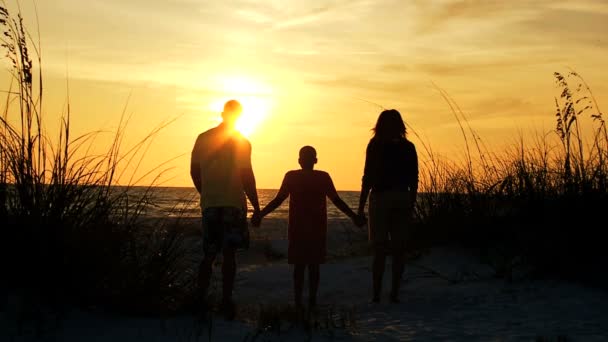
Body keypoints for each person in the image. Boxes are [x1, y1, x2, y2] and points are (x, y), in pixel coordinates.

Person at [252, 146, 365, 309]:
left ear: (299, 161)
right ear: (316, 160)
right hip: (316, 227)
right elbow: (337, 201)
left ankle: (299, 301)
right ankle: (311, 300)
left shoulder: (291, 176)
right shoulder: (323, 177)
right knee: (314, 266)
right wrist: (353, 216)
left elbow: (278, 200)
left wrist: (260, 215)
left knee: (299, 267)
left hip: (298, 228)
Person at [190, 99, 261, 320]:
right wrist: (256, 206)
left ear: (223, 114)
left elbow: (194, 171)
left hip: (211, 204)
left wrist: (206, 193)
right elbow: (246, 175)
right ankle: (226, 301)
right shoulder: (241, 141)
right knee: (229, 255)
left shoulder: (203, 138)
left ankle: (200, 299)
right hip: (232, 203)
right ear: (239, 116)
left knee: (208, 254)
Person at [357, 109, 418, 304]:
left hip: (381, 197)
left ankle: (376, 294)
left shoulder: (375, 145)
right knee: (398, 249)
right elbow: (414, 180)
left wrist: (360, 207)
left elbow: (367, 176)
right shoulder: (409, 147)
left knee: (380, 249)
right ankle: (394, 294)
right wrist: (412, 203)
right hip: (402, 196)